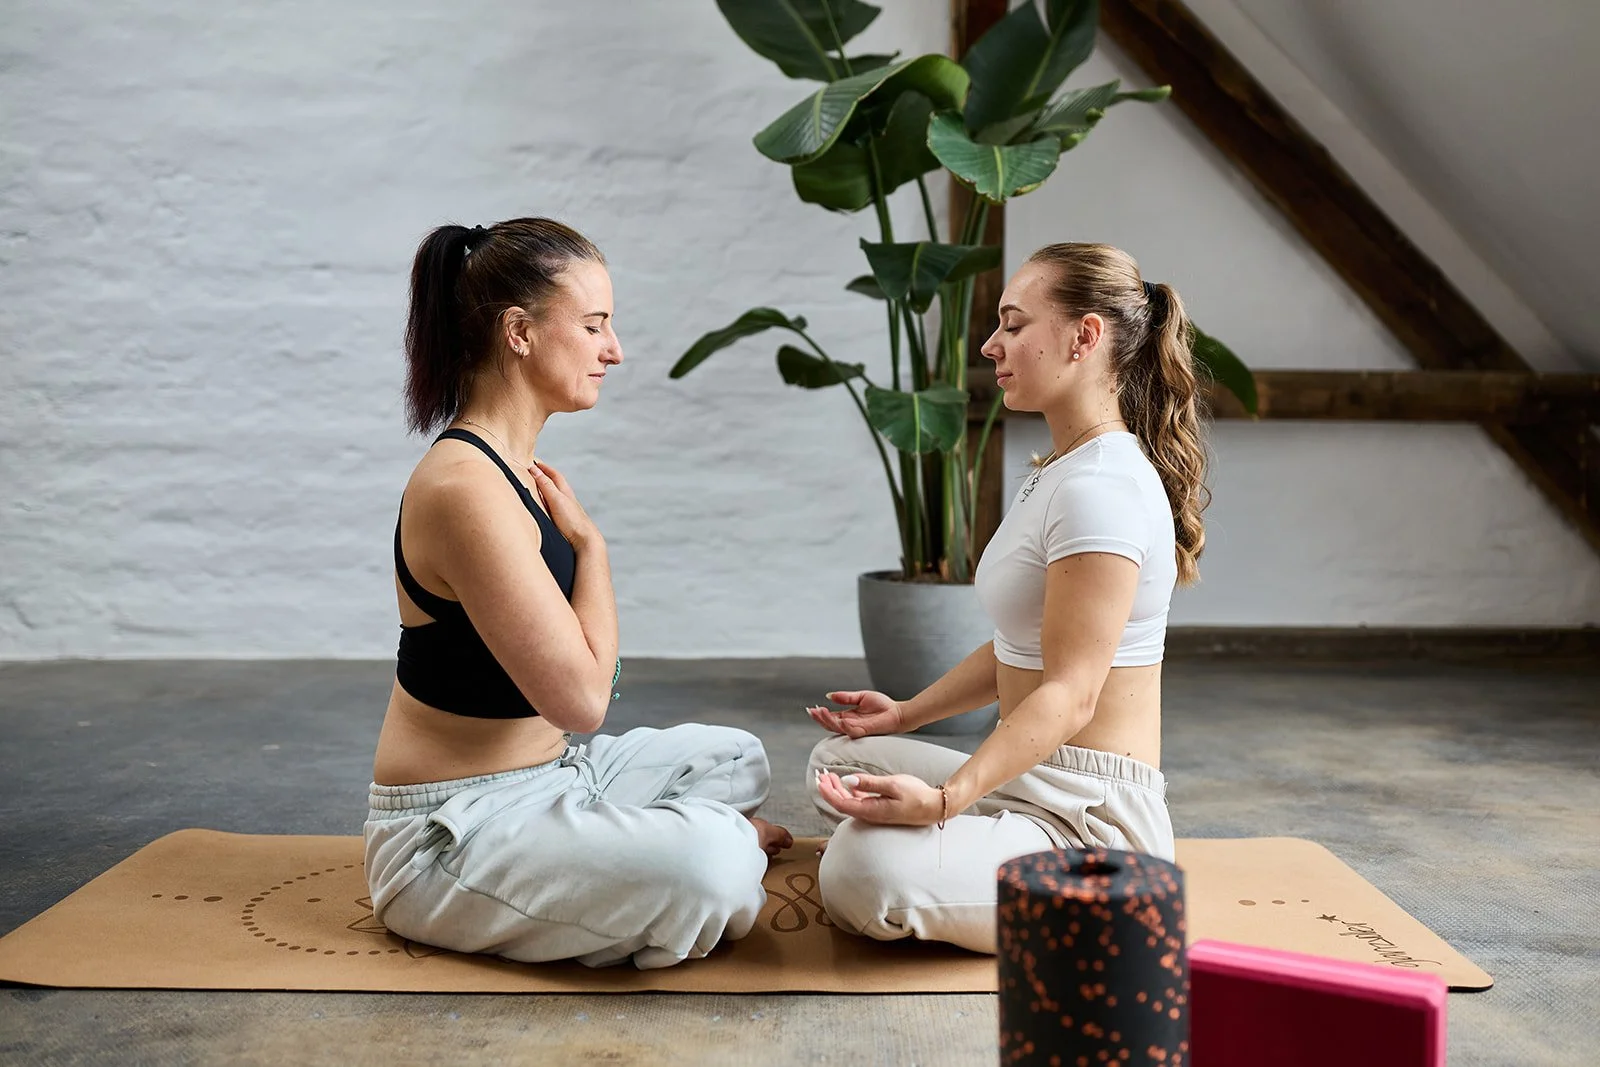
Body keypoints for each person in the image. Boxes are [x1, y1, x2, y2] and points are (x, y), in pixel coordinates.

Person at [363, 217, 791, 970]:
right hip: (453, 832)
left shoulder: (509, 469)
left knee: (737, 759)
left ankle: (619, 840)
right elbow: (584, 701)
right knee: (715, 867)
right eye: (594, 325)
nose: (614, 349)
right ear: (519, 331)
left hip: (559, 776)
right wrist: (592, 550)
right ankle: (680, 849)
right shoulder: (466, 489)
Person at [804, 242, 1207, 953]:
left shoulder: (1100, 490)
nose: (992, 344)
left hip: (1090, 820)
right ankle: (978, 848)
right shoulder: (1062, 469)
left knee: (857, 870)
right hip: (1030, 771)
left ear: (1085, 336)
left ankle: (1105, 903)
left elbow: (1072, 692)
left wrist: (946, 799)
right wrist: (906, 712)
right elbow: (1021, 645)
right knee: (835, 762)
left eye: (1014, 325)